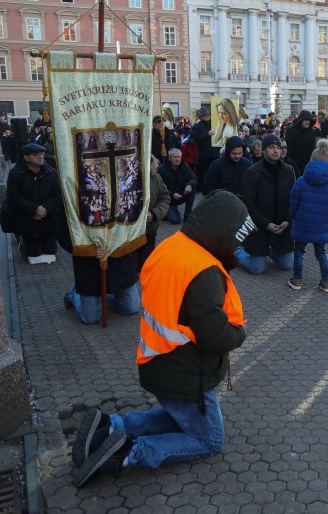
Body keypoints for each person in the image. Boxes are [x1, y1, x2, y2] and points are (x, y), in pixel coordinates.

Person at [71, 191, 252, 488]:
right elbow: (213, 336)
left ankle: (111, 427)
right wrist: (239, 333)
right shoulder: (203, 271)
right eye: (235, 238)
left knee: (181, 418)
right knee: (210, 439)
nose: (237, 247)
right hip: (186, 375)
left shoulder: (173, 246)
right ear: (222, 232)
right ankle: (127, 452)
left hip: (160, 362)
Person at [235, 134, 296, 274]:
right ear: (263, 150)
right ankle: (237, 250)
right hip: (260, 227)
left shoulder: (288, 171)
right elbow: (249, 203)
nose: (276, 151)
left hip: (282, 226)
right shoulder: (253, 172)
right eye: (272, 147)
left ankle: (269, 250)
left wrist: (287, 220)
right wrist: (266, 224)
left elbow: (294, 199)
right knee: (256, 269)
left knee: (287, 265)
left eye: (278, 147)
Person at [288, 140, 328, 292]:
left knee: (299, 251)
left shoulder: (300, 182)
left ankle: (297, 280)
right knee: (322, 252)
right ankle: (326, 281)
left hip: (302, 223)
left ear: (311, 160)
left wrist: (294, 217)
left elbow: (293, 203)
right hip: (322, 224)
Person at [6, 143, 60, 264]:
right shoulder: (16, 174)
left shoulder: (52, 173)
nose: (41, 157)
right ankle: (24, 245)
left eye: (42, 154)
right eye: (35, 154)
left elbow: (57, 196)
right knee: (34, 254)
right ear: (26, 158)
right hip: (28, 220)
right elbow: (14, 198)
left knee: (50, 253)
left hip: (48, 219)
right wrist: (34, 209)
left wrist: (45, 209)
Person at [137, 157, 171, 271]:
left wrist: (154, 213)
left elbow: (165, 198)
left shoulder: (155, 178)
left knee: (146, 263)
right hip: (128, 231)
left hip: (149, 227)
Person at [158, 148, 197, 224]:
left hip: (180, 194)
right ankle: (165, 212)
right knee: (175, 220)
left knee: (193, 188)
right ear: (169, 158)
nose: (177, 159)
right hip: (168, 198)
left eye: (179, 157)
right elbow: (159, 189)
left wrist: (189, 185)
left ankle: (188, 215)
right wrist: (172, 194)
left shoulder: (184, 165)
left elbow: (193, 178)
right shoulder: (161, 169)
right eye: (175, 157)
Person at [189, 108, 218, 191]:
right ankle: (204, 189)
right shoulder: (196, 126)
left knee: (215, 172)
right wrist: (207, 134)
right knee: (204, 174)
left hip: (215, 153)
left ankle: (214, 188)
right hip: (204, 155)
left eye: (208, 114)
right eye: (204, 115)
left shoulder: (214, 124)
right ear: (201, 117)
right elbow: (195, 138)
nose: (207, 116)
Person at [285, 110, 320, 175]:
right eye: (305, 120)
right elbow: (288, 148)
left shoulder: (312, 132)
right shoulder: (291, 130)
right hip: (293, 163)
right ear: (301, 120)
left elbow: (312, 148)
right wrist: (290, 162)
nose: (308, 122)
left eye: (309, 120)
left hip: (307, 164)